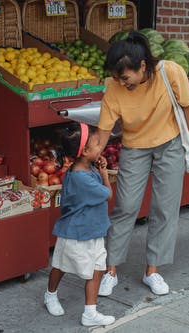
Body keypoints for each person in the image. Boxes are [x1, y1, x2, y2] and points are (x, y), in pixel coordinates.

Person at [96, 31, 189, 296]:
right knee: (126, 206)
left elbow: (188, 107)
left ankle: (152, 271)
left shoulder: (171, 72)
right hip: (134, 147)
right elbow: (103, 130)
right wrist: (91, 156)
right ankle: (111, 269)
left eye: (125, 77)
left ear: (142, 66)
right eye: (116, 78)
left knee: (165, 207)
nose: (121, 83)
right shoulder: (114, 88)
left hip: (169, 144)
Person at [44, 122, 116, 327]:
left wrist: (98, 167)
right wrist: (104, 173)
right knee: (61, 266)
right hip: (75, 233)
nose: (100, 146)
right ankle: (50, 294)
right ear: (84, 151)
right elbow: (108, 195)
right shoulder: (82, 177)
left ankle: (90, 312)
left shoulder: (84, 167)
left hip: (93, 230)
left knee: (97, 268)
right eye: (96, 144)